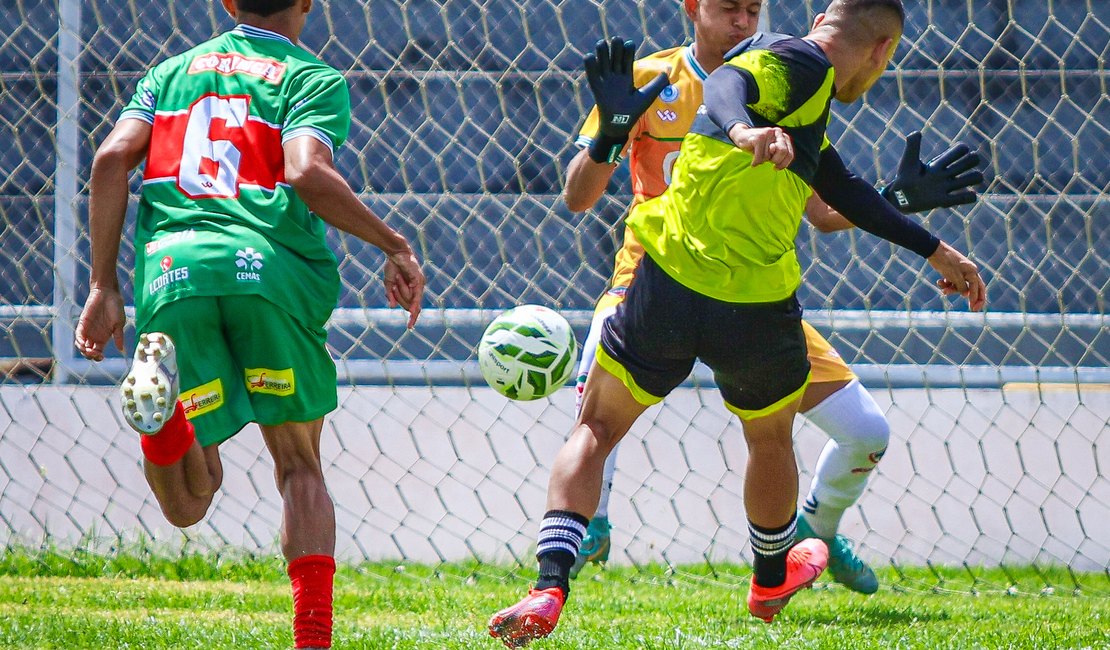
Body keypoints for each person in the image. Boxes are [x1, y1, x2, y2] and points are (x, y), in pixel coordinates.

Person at [489, 0, 986, 645]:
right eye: (731, 8)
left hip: (672, 283)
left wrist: (920, 230)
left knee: (602, 426)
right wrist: (719, 129)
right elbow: (721, 91)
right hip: (721, 294)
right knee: (767, 437)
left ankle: (550, 583)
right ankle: (755, 569)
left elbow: (833, 193)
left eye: (754, 9)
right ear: (881, 49)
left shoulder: (794, 86)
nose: (744, 21)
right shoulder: (765, 65)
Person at [73, 1, 425, 648]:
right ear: (307, 1)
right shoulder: (308, 76)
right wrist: (393, 243)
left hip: (173, 273)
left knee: (190, 500)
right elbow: (305, 171)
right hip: (264, 272)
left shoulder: (168, 74)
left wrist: (103, 285)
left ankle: (163, 423)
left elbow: (108, 161)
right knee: (298, 466)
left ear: (229, 2)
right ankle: (312, 637)